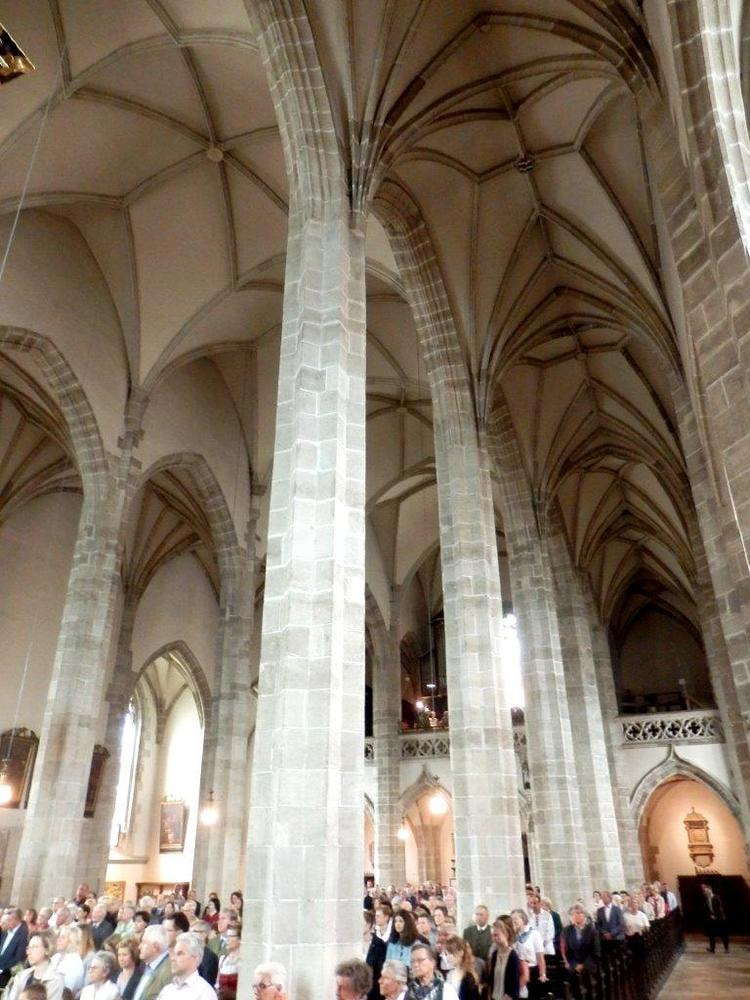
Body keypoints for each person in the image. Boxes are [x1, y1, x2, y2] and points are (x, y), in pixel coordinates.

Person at [158, 932, 216, 1000]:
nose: (173, 958)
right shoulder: (167, 990)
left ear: (195, 958)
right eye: (174, 954)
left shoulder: (205, 993)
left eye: (180, 954)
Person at [7, 933, 64, 1000]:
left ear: (47, 950)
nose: (28, 952)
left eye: (34, 947)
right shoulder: (22, 976)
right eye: (28, 948)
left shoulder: (55, 980)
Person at [561, 904, 599, 1000]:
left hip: (589, 965)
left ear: (584, 915)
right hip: (573, 965)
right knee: (574, 990)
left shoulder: (592, 931)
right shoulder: (566, 930)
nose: (576, 915)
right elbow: (566, 950)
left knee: (589, 991)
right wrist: (575, 965)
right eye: (573, 914)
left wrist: (584, 965)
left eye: (579, 913)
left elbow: (596, 951)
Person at [510, 910, 545, 1000]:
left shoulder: (534, 934)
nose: (513, 921)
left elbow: (540, 956)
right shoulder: (513, 935)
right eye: (512, 920)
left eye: (515, 919)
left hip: (532, 971)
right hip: (517, 971)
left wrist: (542, 974)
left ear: (523, 919)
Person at [484, 918, 521, 1000]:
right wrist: (489, 993)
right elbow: (492, 977)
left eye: (496, 935)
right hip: (495, 996)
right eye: (492, 935)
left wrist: (508, 996)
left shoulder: (512, 955)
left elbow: (514, 982)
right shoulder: (495, 954)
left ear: (505, 934)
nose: (493, 938)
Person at [132, 925, 171, 1000]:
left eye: (143, 942)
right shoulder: (147, 965)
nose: (139, 947)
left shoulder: (168, 971)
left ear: (155, 947)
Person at [50, 924, 86, 994]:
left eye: (63, 937)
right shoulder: (56, 957)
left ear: (72, 941)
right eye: (59, 937)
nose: (58, 940)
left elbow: (67, 988)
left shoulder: (74, 961)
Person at [444, 936, 481, 1000]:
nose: (447, 957)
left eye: (449, 953)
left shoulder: (469, 977)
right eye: (446, 954)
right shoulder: (450, 973)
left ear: (460, 953)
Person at [0, 908, 30, 988]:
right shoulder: (5, 931)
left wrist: (1, 968)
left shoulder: (24, 934)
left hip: (8, 974)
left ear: (16, 920)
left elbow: (18, 959)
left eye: (8, 920)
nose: (6, 923)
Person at [215, 922, 240, 1000]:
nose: (227, 939)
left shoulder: (244, 961)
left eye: (231, 936)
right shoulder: (223, 959)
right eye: (227, 936)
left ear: (240, 939)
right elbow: (217, 985)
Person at [701, 884, 729, 953]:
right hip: (712, 919)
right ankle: (712, 949)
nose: (705, 892)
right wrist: (710, 915)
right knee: (711, 934)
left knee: (723, 934)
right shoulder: (706, 899)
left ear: (710, 890)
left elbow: (720, 908)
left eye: (706, 891)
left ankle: (726, 948)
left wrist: (716, 916)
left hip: (720, 918)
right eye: (704, 891)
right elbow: (706, 910)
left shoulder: (716, 897)